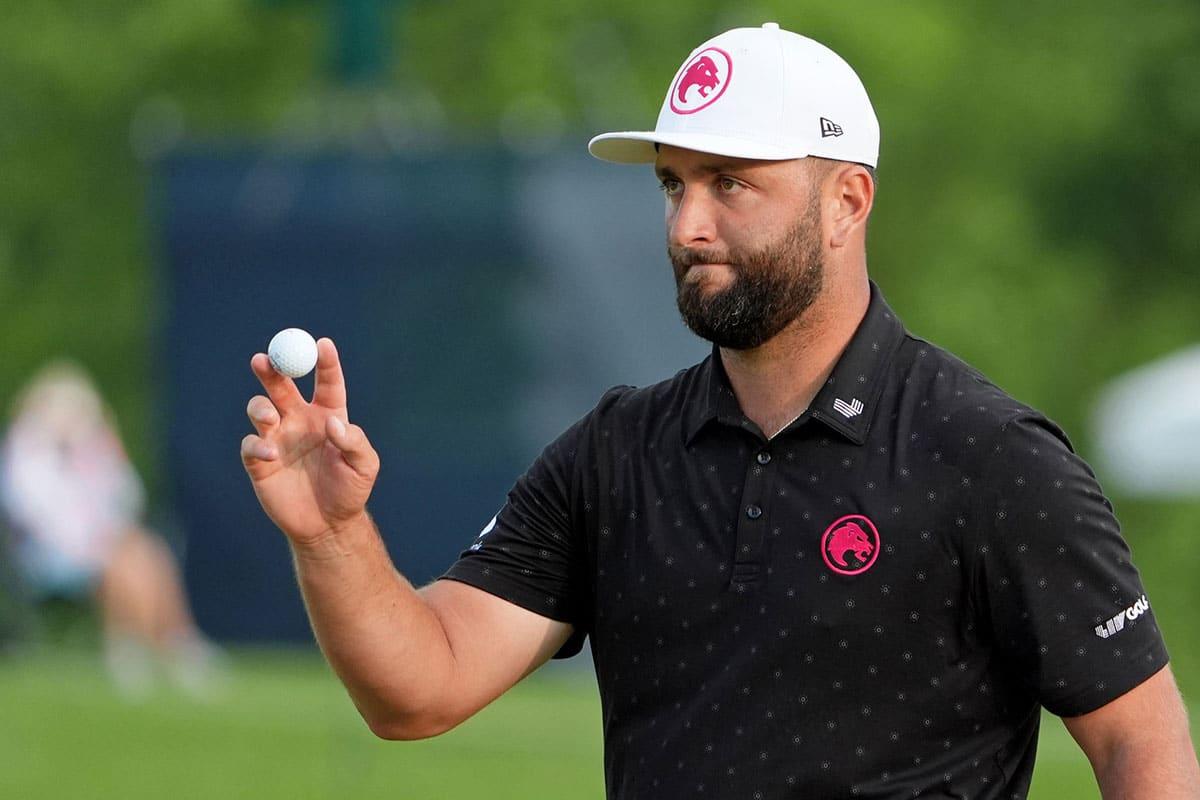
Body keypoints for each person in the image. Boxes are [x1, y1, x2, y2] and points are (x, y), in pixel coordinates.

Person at [240, 24, 1200, 799]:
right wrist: (334, 534)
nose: (686, 225)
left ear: (846, 202)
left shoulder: (991, 455)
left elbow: (1143, 748)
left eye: (731, 183)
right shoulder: (613, 454)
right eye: (673, 183)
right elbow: (419, 687)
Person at [1, 361, 220, 697]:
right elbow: (32, 511)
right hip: (48, 556)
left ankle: (146, 645)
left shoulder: (93, 451)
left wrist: (100, 455)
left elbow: (128, 501)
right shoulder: (27, 452)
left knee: (146, 552)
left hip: (106, 545)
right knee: (128, 556)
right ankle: (165, 644)